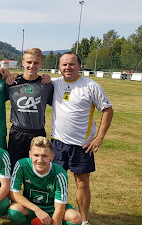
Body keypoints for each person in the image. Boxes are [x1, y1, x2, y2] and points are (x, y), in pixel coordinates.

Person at [51, 53, 113, 225]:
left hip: (81, 145)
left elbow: (107, 109)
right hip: (57, 143)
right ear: (59, 67)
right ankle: (53, 215)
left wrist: (99, 137)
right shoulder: (55, 83)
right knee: (53, 181)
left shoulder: (91, 86)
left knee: (82, 183)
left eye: (71, 64)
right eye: (64, 65)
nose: (67, 68)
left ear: (80, 66)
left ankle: (84, 220)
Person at [8, 136, 82, 225]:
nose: (40, 160)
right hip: (32, 208)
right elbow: (13, 193)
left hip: (52, 207)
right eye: (36, 155)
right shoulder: (21, 165)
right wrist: (37, 210)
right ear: (30, 155)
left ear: (52, 157)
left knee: (75, 217)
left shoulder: (59, 173)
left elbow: (59, 208)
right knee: (14, 211)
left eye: (44, 156)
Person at [6, 48, 54, 168]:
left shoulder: (47, 85)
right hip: (17, 133)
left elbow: (61, 106)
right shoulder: (12, 83)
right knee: (14, 169)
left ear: (41, 64)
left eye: (36, 63)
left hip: (38, 133)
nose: (32, 66)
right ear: (22, 62)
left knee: (37, 170)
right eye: (29, 62)